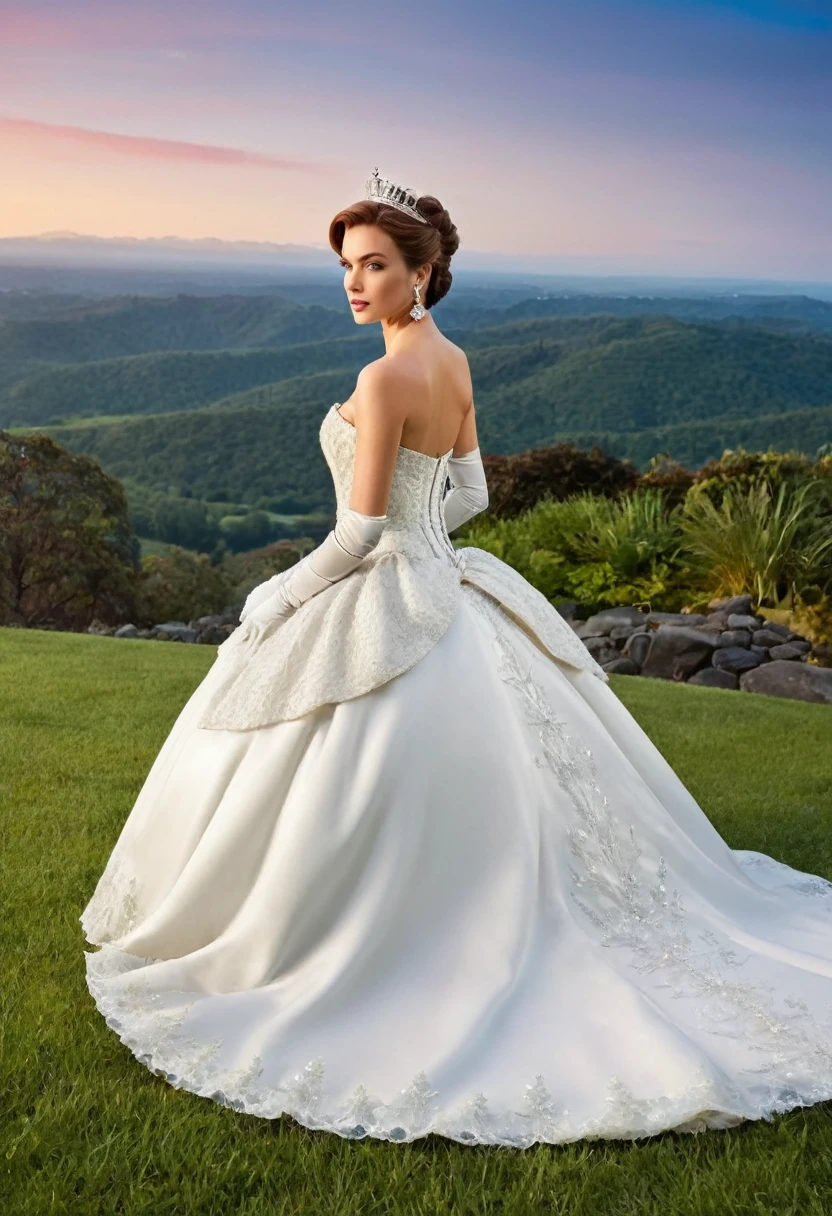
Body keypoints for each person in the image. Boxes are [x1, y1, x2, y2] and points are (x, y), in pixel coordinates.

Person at [80, 169, 832, 1149]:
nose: (354, 285)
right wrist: (424, 539)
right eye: (346, 266)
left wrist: (279, 593)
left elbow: (353, 537)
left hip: (384, 584)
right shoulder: (456, 361)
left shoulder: (384, 378)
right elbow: (469, 489)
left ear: (421, 271)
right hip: (447, 581)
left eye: (375, 266)